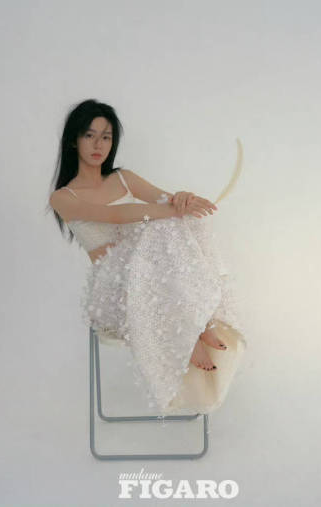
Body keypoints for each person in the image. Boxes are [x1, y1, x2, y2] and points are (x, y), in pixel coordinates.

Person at [48, 99, 246, 415]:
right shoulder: (62, 197)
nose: (98, 145)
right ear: (74, 140)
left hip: (156, 277)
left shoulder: (123, 178)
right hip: (115, 290)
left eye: (106, 137)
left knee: (173, 224)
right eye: (89, 135)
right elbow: (116, 215)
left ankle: (197, 324)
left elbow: (165, 201)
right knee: (160, 225)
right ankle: (197, 323)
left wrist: (182, 199)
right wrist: (169, 210)